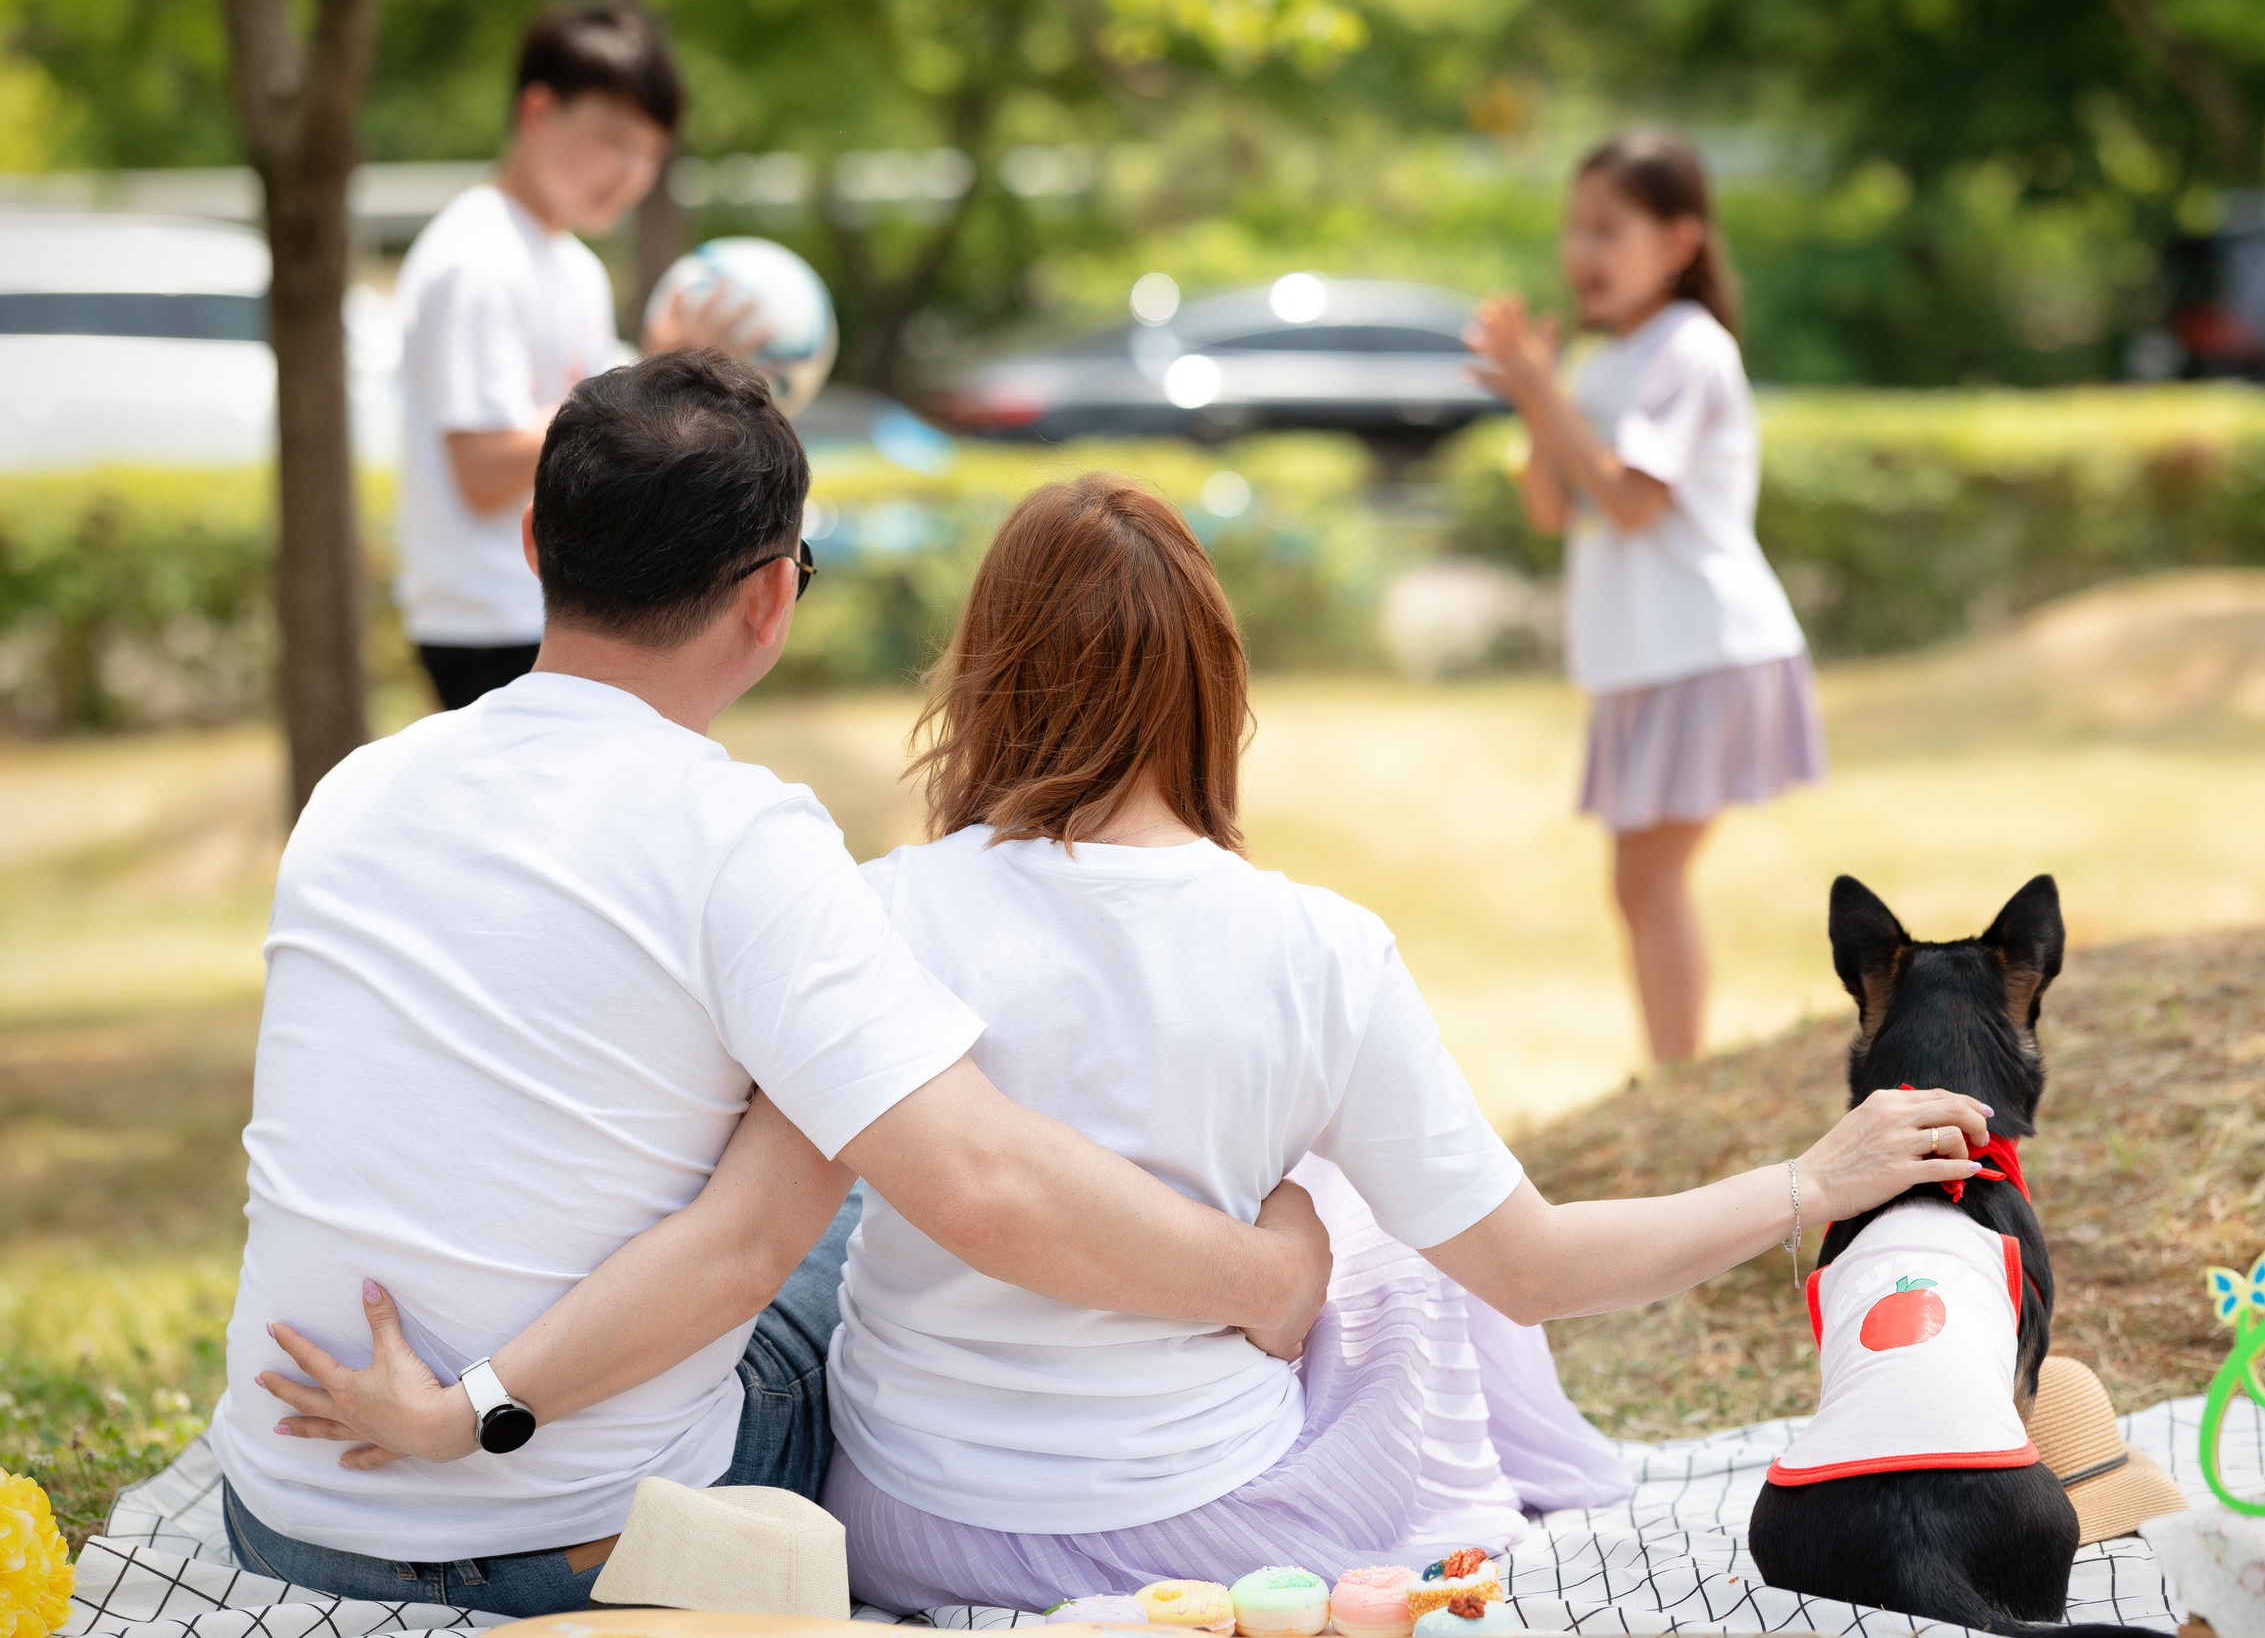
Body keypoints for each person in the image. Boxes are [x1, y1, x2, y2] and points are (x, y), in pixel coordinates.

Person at [274, 472, 1987, 1617]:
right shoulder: (1320, 947)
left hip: (908, 1517)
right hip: (1201, 1518)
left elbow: (758, 1227)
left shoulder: (879, 903)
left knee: (918, 1175)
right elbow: (1532, 1268)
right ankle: (1539, 1491)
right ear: (1211, 682)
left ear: (986, 670)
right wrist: (1806, 1181)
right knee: (1379, 1216)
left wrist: (482, 1399)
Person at [210, 352, 1333, 1621]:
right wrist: (1272, 1279)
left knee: (804, 1134)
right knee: (864, 1213)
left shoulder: (356, 790)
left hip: (287, 1514)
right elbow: (974, 1190)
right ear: (769, 596)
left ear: (533, 543)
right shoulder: (738, 838)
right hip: (583, 1539)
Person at [1465, 128, 1826, 1070]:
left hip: (1702, 646)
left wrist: (1545, 393)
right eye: (1575, 226)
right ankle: (1675, 1070)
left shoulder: (1691, 350)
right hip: (1649, 655)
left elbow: (1631, 500)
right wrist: (1538, 398)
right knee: (1640, 884)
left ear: (1678, 242)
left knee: (1645, 880)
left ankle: (1678, 1073)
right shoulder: (1600, 360)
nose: (1581, 250)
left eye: (1607, 228)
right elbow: (1554, 508)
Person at [394, 0, 761, 712]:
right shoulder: (474, 258)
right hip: (490, 621)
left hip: (561, 614)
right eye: (614, 139)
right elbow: (484, 469)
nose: (632, 173)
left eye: (651, 154)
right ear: (537, 112)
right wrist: (651, 372)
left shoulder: (574, 266)